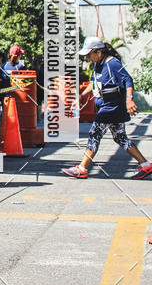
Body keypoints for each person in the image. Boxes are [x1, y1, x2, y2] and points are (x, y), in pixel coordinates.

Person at [62, 36, 152, 180]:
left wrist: (129, 99)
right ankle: (145, 164)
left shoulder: (112, 63)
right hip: (107, 107)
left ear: (98, 52)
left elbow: (128, 80)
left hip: (111, 108)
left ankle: (82, 169)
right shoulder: (98, 64)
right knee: (120, 137)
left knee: (94, 134)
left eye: (89, 54)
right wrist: (81, 96)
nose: (87, 57)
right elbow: (94, 83)